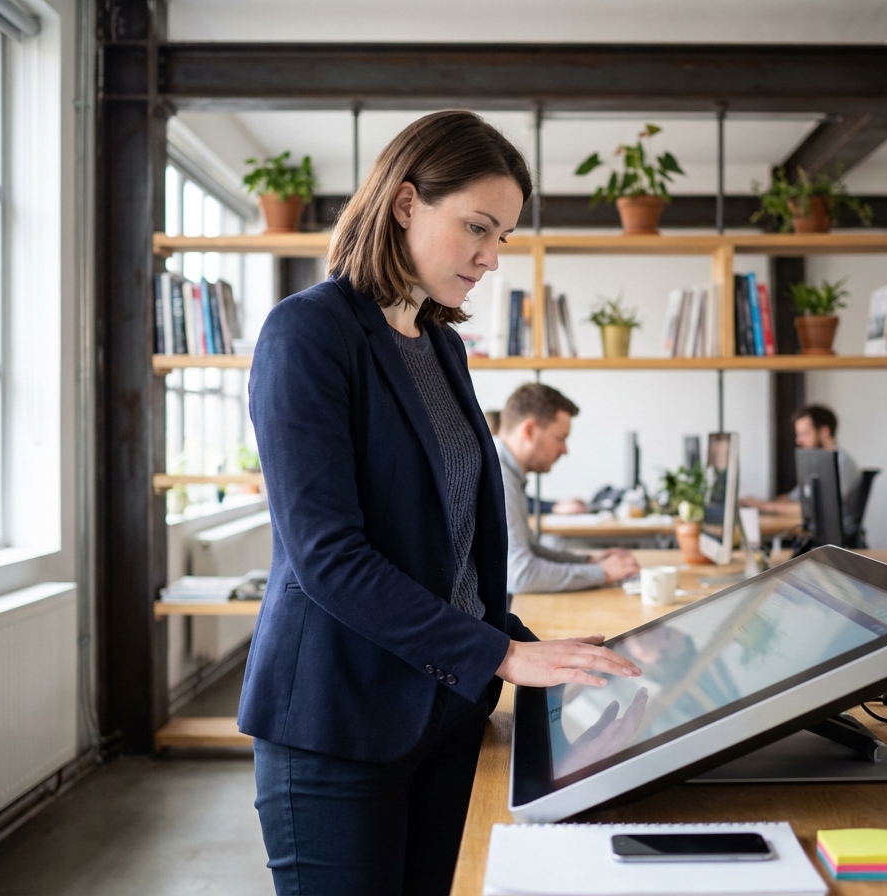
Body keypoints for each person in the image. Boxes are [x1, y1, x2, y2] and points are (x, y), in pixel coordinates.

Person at [239, 111, 641, 896]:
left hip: (445, 709)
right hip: (339, 721)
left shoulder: (440, 343)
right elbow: (329, 558)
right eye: (477, 229)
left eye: (504, 238)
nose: (493, 259)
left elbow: (450, 547)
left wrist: (530, 648)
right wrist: (501, 655)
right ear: (404, 204)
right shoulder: (307, 334)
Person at [495, 383, 640, 593]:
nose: (564, 450)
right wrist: (603, 573)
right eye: (559, 438)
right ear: (529, 430)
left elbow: (530, 551)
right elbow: (520, 574)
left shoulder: (504, 470)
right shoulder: (499, 476)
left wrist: (589, 561)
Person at [743, 404, 859, 514]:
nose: (798, 440)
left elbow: (819, 510)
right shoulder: (818, 464)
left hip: (829, 534)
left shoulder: (841, 463)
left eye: (803, 434)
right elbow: (794, 497)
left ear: (824, 432)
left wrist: (766, 507)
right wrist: (761, 503)